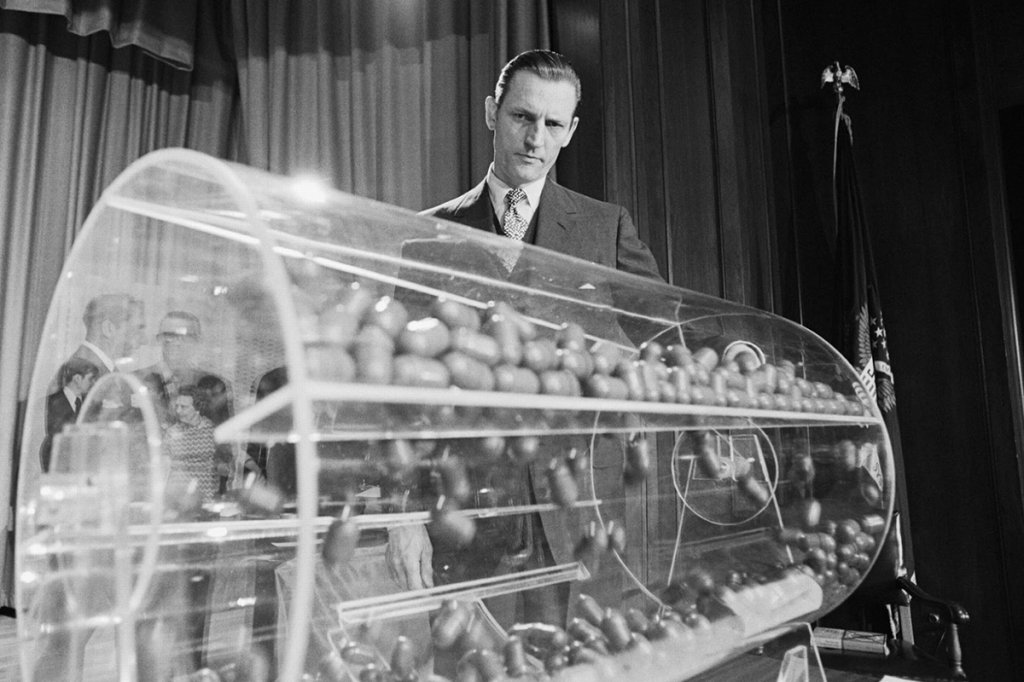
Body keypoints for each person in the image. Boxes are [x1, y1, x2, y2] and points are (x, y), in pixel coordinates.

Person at [413, 49, 666, 630]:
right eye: (522, 117)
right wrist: (406, 518)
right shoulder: (427, 236)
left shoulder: (606, 227)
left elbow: (667, 323)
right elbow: (403, 401)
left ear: (571, 131)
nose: (535, 139)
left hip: (581, 510)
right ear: (491, 113)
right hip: (467, 513)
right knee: (471, 661)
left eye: (553, 124)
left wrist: (739, 351)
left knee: (583, 658)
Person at [39, 357, 98, 472]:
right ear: (77, 379)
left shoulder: (92, 405)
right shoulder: (49, 403)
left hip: (84, 466)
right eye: (91, 378)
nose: (93, 383)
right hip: (58, 465)